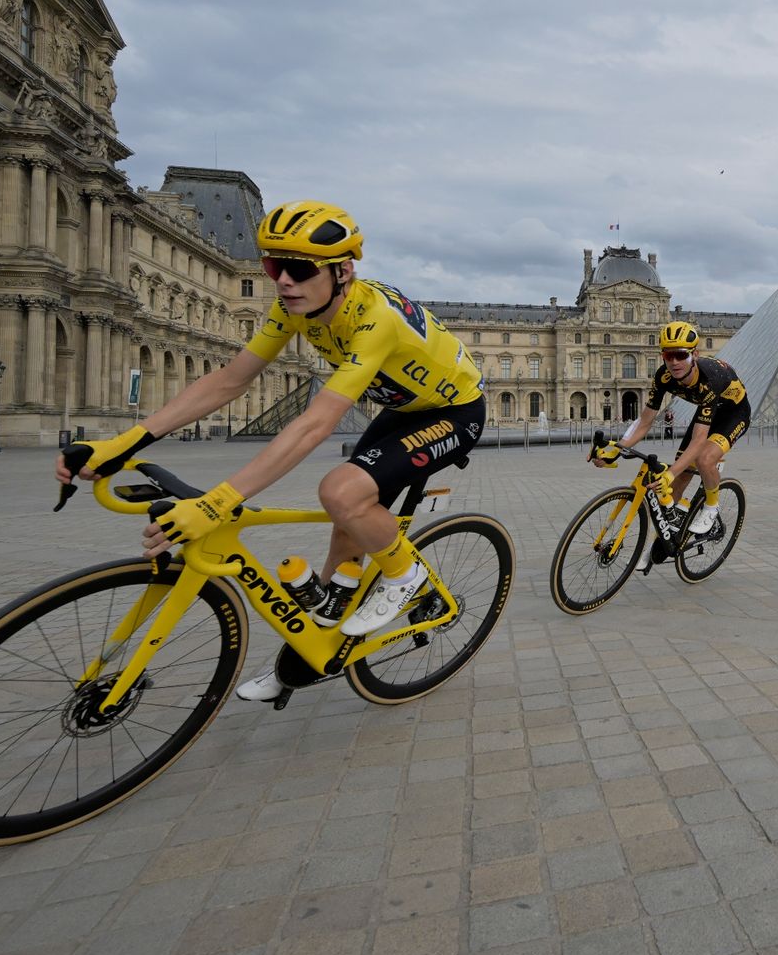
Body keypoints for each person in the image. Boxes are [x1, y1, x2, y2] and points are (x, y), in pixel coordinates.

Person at [57, 201, 486, 703]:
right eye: (272, 266)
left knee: (339, 491)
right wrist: (125, 441)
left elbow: (314, 426)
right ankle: (303, 660)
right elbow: (229, 381)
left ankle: (405, 575)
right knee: (342, 539)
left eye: (299, 269)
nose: (282, 281)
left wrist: (216, 503)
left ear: (343, 270)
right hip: (403, 409)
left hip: (455, 410)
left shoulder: (375, 320)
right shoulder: (291, 308)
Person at [593, 321, 749, 538]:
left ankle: (711, 508)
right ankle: (665, 542)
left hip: (733, 413)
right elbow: (645, 421)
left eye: (681, 355)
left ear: (694, 354)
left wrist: (670, 472)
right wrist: (617, 448)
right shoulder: (663, 377)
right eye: (668, 356)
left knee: (703, 459)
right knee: (678, 481)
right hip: (706, 413)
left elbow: (698, 441)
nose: (674, 362)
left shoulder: (709, 379)